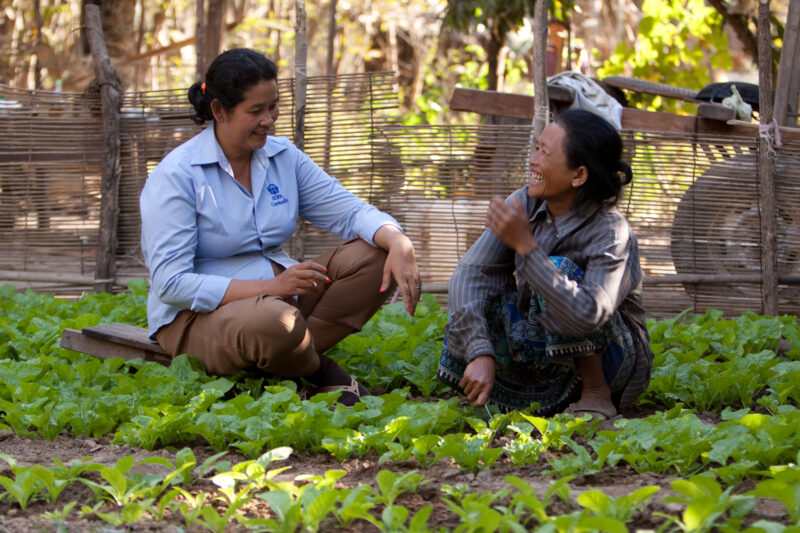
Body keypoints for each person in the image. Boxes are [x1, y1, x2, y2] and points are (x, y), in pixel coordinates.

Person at [140, 48, 421, 406]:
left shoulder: (281, 157)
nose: (269, 120)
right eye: (255, 111)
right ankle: (317, 371)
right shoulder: (178, 175)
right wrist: (269, 287)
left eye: (272, 106)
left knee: (375, 255)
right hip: (195, 319)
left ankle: (291, 357)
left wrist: (398, 241)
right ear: (219, 111)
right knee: (276, 322)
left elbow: (349, 212)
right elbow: (170, 283)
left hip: (280, 300)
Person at [436, 108, 653, 419]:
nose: (532, 160)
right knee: (476, 299)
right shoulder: (523, 202)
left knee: (557, 269)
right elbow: (471, 274)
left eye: (544, 153)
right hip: (546, 358)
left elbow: (590, 314)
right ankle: (534, 396)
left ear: (578, 175)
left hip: (615, 361)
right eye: (536, 148)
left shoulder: (612, 232)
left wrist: (527, 248)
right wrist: (479, 350)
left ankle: (595, 393)